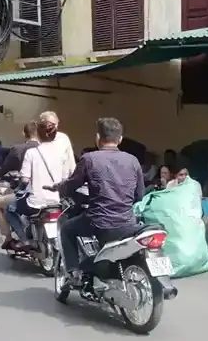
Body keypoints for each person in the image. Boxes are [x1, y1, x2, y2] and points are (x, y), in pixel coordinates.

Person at [58, 118, 145, 285]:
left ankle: (73, 273)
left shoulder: (89, 159)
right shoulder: (133, 160)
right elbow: (139, 194)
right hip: (128, 222)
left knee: (67, 229)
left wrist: (60, 188)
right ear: (120, 139)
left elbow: (71, 186)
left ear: (98, 137)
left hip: (99, 221)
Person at [6, 118, 73, 247]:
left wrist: (19, 188)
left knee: (10, 208)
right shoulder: (61, 154)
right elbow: (65, 177)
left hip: (35, 203)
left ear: (38, 134)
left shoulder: (32, 153)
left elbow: (25, 179)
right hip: (56, 201)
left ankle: (24, 240)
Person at [0, 121, 40, 248]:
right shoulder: (47, 150)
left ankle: (11, 239)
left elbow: (5, 168)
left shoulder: (19, 149)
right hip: (51, 194)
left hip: (29, 193)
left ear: (24, 133)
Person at [38, 111, 76, 178]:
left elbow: (71, 160)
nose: (54, 127)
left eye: (55, 124)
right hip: (44, 179)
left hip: (62, 180)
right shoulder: (38, 139)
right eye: (50, 124)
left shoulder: (63, 138)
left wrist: (73, 176)